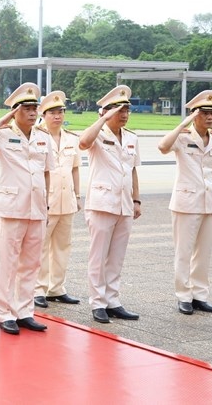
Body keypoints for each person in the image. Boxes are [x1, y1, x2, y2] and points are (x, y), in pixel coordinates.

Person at [0, 83, 52, 335]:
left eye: (34, 108)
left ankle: (25, 311)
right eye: (26, 108)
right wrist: (0, 120)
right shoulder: (3, 134)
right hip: (12, 207)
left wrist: (46, 203)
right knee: (8, 263)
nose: (32, 113)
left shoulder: (43, 137)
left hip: (36, 208)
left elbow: (46, 172)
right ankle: (5, 312)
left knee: (31, 263)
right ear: (16, 111)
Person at [78, 85, 142, 324]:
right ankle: (97, 302)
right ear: (105, 112)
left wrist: (136, 199)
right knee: (98, 255)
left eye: (127, 110)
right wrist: (103, 118)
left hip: (124, 204)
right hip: (101, 203)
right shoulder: (98, 135)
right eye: (119, 110)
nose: (124, 114)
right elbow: (83, 143)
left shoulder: (132, 138)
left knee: (117, 256)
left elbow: (133, 170)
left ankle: (112, 300)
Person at [158, 90, 212, 316]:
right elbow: (162, 146)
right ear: (195, 115)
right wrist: (183, 123)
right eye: (204, 113)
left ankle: (200, 295)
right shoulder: (183, 136)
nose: (209, 117)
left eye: (211, 113)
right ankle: (184, 296)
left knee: (203, 252)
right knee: (184, 251)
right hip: (186, 202)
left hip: (208, 201)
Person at [33, 90, 83, 308]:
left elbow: (75, 169)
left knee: (63, 246)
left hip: (66, 200)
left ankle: (57, 288)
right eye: (52, 112)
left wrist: (77, 195)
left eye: (61, 112)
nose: (57, 116)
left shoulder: (71, 138)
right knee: (41, 246)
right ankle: (38, 289)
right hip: (47, 200)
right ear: (43, 115)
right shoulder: (36, 137)